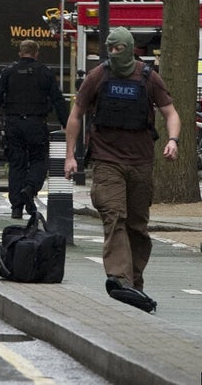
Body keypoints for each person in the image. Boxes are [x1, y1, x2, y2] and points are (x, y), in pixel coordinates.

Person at [63, 27, 180, 312]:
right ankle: (119, 279)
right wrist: (70, 156)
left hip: (140, 162)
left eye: (119, 49)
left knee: (137, 227)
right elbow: (76, 114)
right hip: (107, 161)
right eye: (110, 49)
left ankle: (134, 285)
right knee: (114, 216)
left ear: (130, 49)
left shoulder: (148, 78)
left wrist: (174, 141)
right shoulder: (97, 76)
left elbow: (171, 112)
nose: (114, 54)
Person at [0, 39, 69, 219]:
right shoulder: (45, 72)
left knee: (16, 164)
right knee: (39, 160)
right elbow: (58, 99)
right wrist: (65, 123)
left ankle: (17, 207)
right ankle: (30, 189)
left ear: (20, 53)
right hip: (36, 124)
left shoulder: (8, 72)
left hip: (13, 124)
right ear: (36, 53)